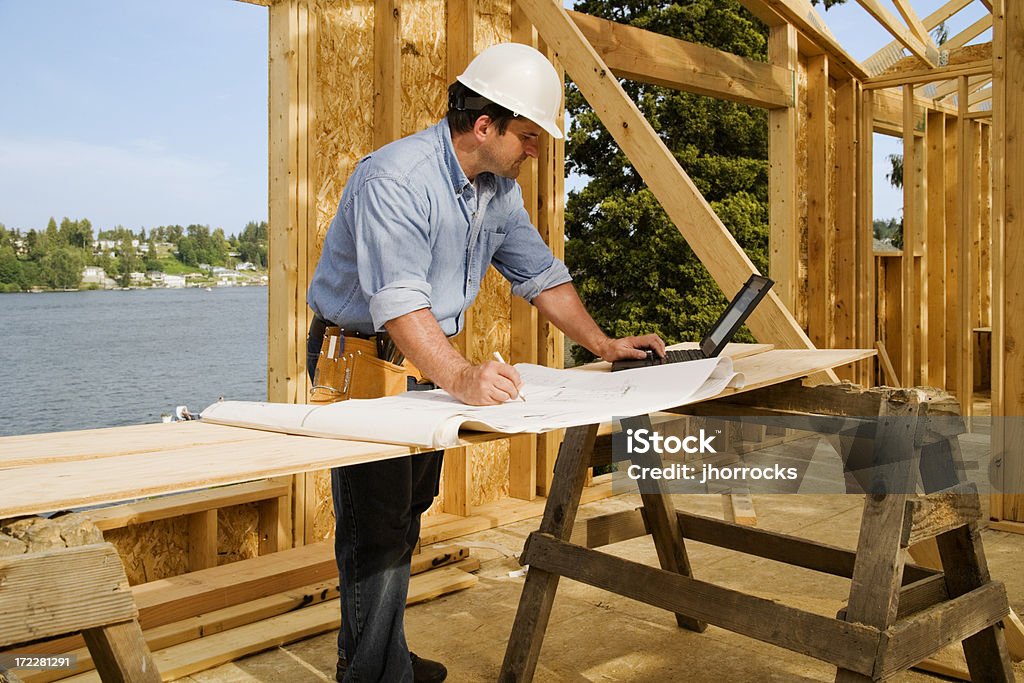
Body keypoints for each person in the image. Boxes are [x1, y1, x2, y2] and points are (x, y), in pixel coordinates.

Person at [307, 41, 665, 683]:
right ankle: (368, 674)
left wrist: (605, 345)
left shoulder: (495, 192)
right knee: (376, 529)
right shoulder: (396, 179)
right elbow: (398, 303)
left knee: (408, 511)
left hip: (420, 359)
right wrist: (461, 375)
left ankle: (385, 654)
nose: (535, 150)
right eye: (528, 137)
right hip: (364, 358)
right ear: (483, 126)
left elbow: (540, 275)